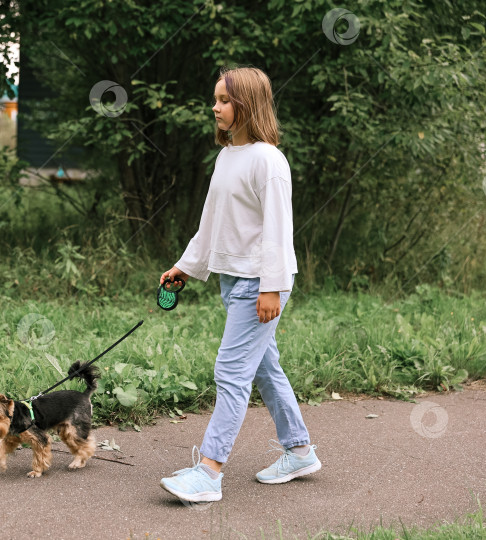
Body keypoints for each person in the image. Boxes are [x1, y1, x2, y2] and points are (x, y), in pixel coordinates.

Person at [159, 66, 321, 504]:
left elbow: (277, 230)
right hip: (233, 281)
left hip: (260, 284)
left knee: (230, 372)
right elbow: (212, 225)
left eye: (225, 101)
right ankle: (300, 450)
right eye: (216, 99)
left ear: (247, 105)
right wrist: (186, 267)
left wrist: (272, 285)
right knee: (266, 369)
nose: (215, 107)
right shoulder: (227, 156)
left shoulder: (269, 160)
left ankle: (209, 471)